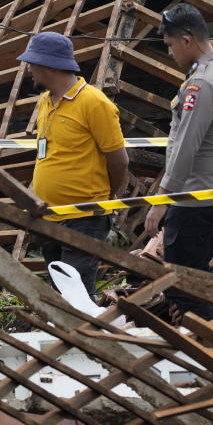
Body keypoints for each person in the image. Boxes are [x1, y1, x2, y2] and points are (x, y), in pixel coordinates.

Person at [145, 4, 213, 319]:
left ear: (187, 40)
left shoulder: (201, 83)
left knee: (179, 282)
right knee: (195, 272)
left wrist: (163, 198)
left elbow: (187, 146)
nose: (171, 52)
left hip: (196, 198)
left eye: (171, 45)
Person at [18, 32, 129, 298]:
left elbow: (119, 160)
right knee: (60, 293)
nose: (29, 69)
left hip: (83, 218)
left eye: (32, 63)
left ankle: (80, 337)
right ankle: (67, 337)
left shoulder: (94, 103)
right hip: (50, 217)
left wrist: (108, 198)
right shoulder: (45, 101)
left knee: (75, 295)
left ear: (48, 65)